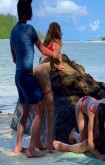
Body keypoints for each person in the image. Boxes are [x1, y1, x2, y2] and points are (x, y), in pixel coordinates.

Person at [10, 0, 61, 158]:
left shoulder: (13, 32)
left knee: (25, 112)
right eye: (30, 8)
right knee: (40, 111)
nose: (32, 11)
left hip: (18, 76)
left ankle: (18, 146)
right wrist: (55, 55)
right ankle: (32, 149)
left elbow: (14, 58)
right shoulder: (29, 29)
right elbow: (43, 49)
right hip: (26, 75)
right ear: (26, 12)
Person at [33, 22, 64, 153]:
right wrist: (60, 59)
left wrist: (56, 66)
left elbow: (45, 59)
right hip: (42, 74)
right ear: (58, 32)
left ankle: (37, 142)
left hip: (34, 71)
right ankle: (49, 143)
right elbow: (55, 55)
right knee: (50, 110)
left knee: (40, 111)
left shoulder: (46, 44)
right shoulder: (57, 42)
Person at [69, 96, 105, 160]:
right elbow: (90, 143)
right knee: (83, 142)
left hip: (95, 104)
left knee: (99, 137)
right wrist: (99, 156)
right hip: (81, 106)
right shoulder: (92, 113)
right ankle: (74, 134)